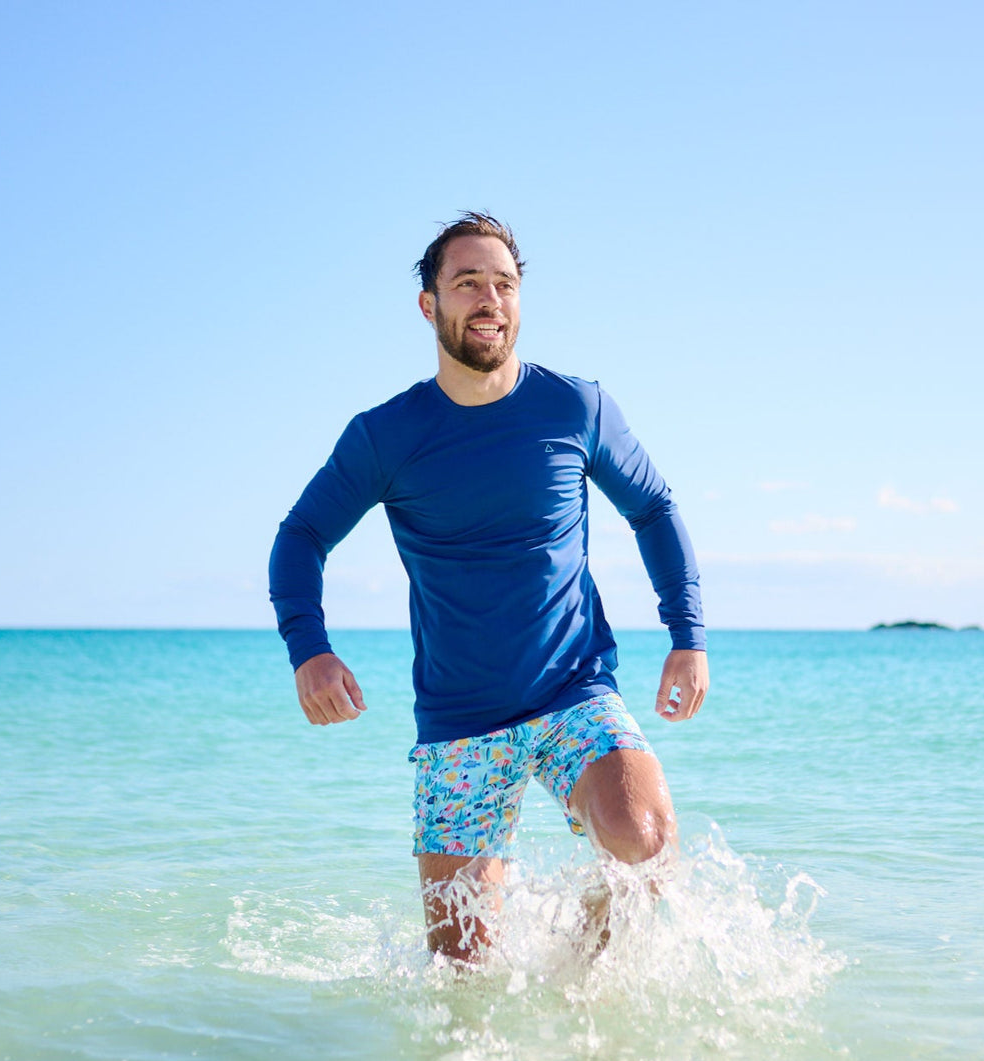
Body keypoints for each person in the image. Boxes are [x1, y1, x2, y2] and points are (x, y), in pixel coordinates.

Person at [269, 213, 708, 961]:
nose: (488, 299)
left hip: (573, 692)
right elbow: (301, 536)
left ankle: (582, 992)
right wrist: (309, 651)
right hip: (458, 721)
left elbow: (655, 507)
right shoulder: (387, 436)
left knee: (644, 842)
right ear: (429, 305)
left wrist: (686, 636)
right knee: (459, 974)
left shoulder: (575, 408)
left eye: (503, 283)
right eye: (466, 283)